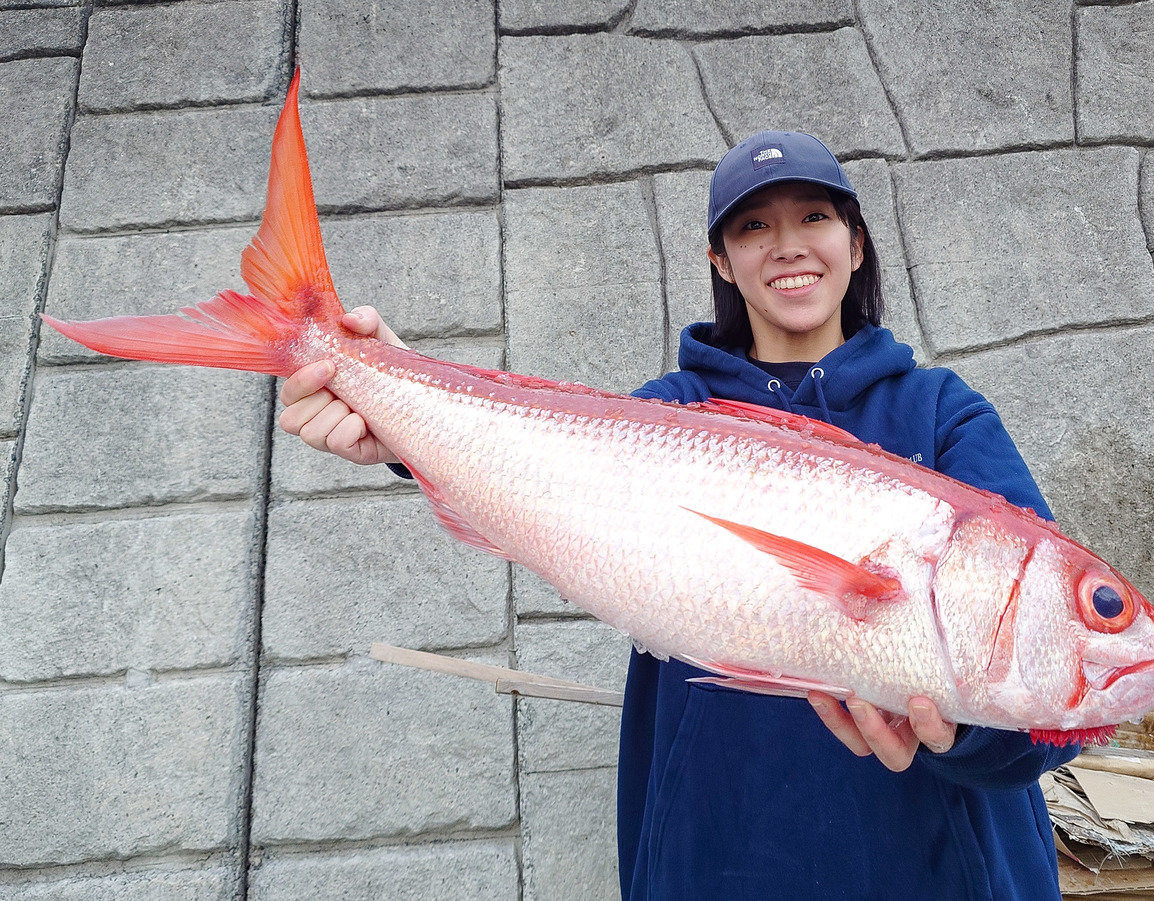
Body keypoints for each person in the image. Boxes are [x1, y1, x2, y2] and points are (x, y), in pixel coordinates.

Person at [279, 131, 1080, 900]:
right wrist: (391, 401)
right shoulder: (668, 417)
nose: (788, 245)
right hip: (717, 858)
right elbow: (535, 470)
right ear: (720, 260)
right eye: (753, 226)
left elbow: (1060, 700)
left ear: (857, 243)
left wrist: (963, 732)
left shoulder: (944, 414)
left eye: (814, 216)